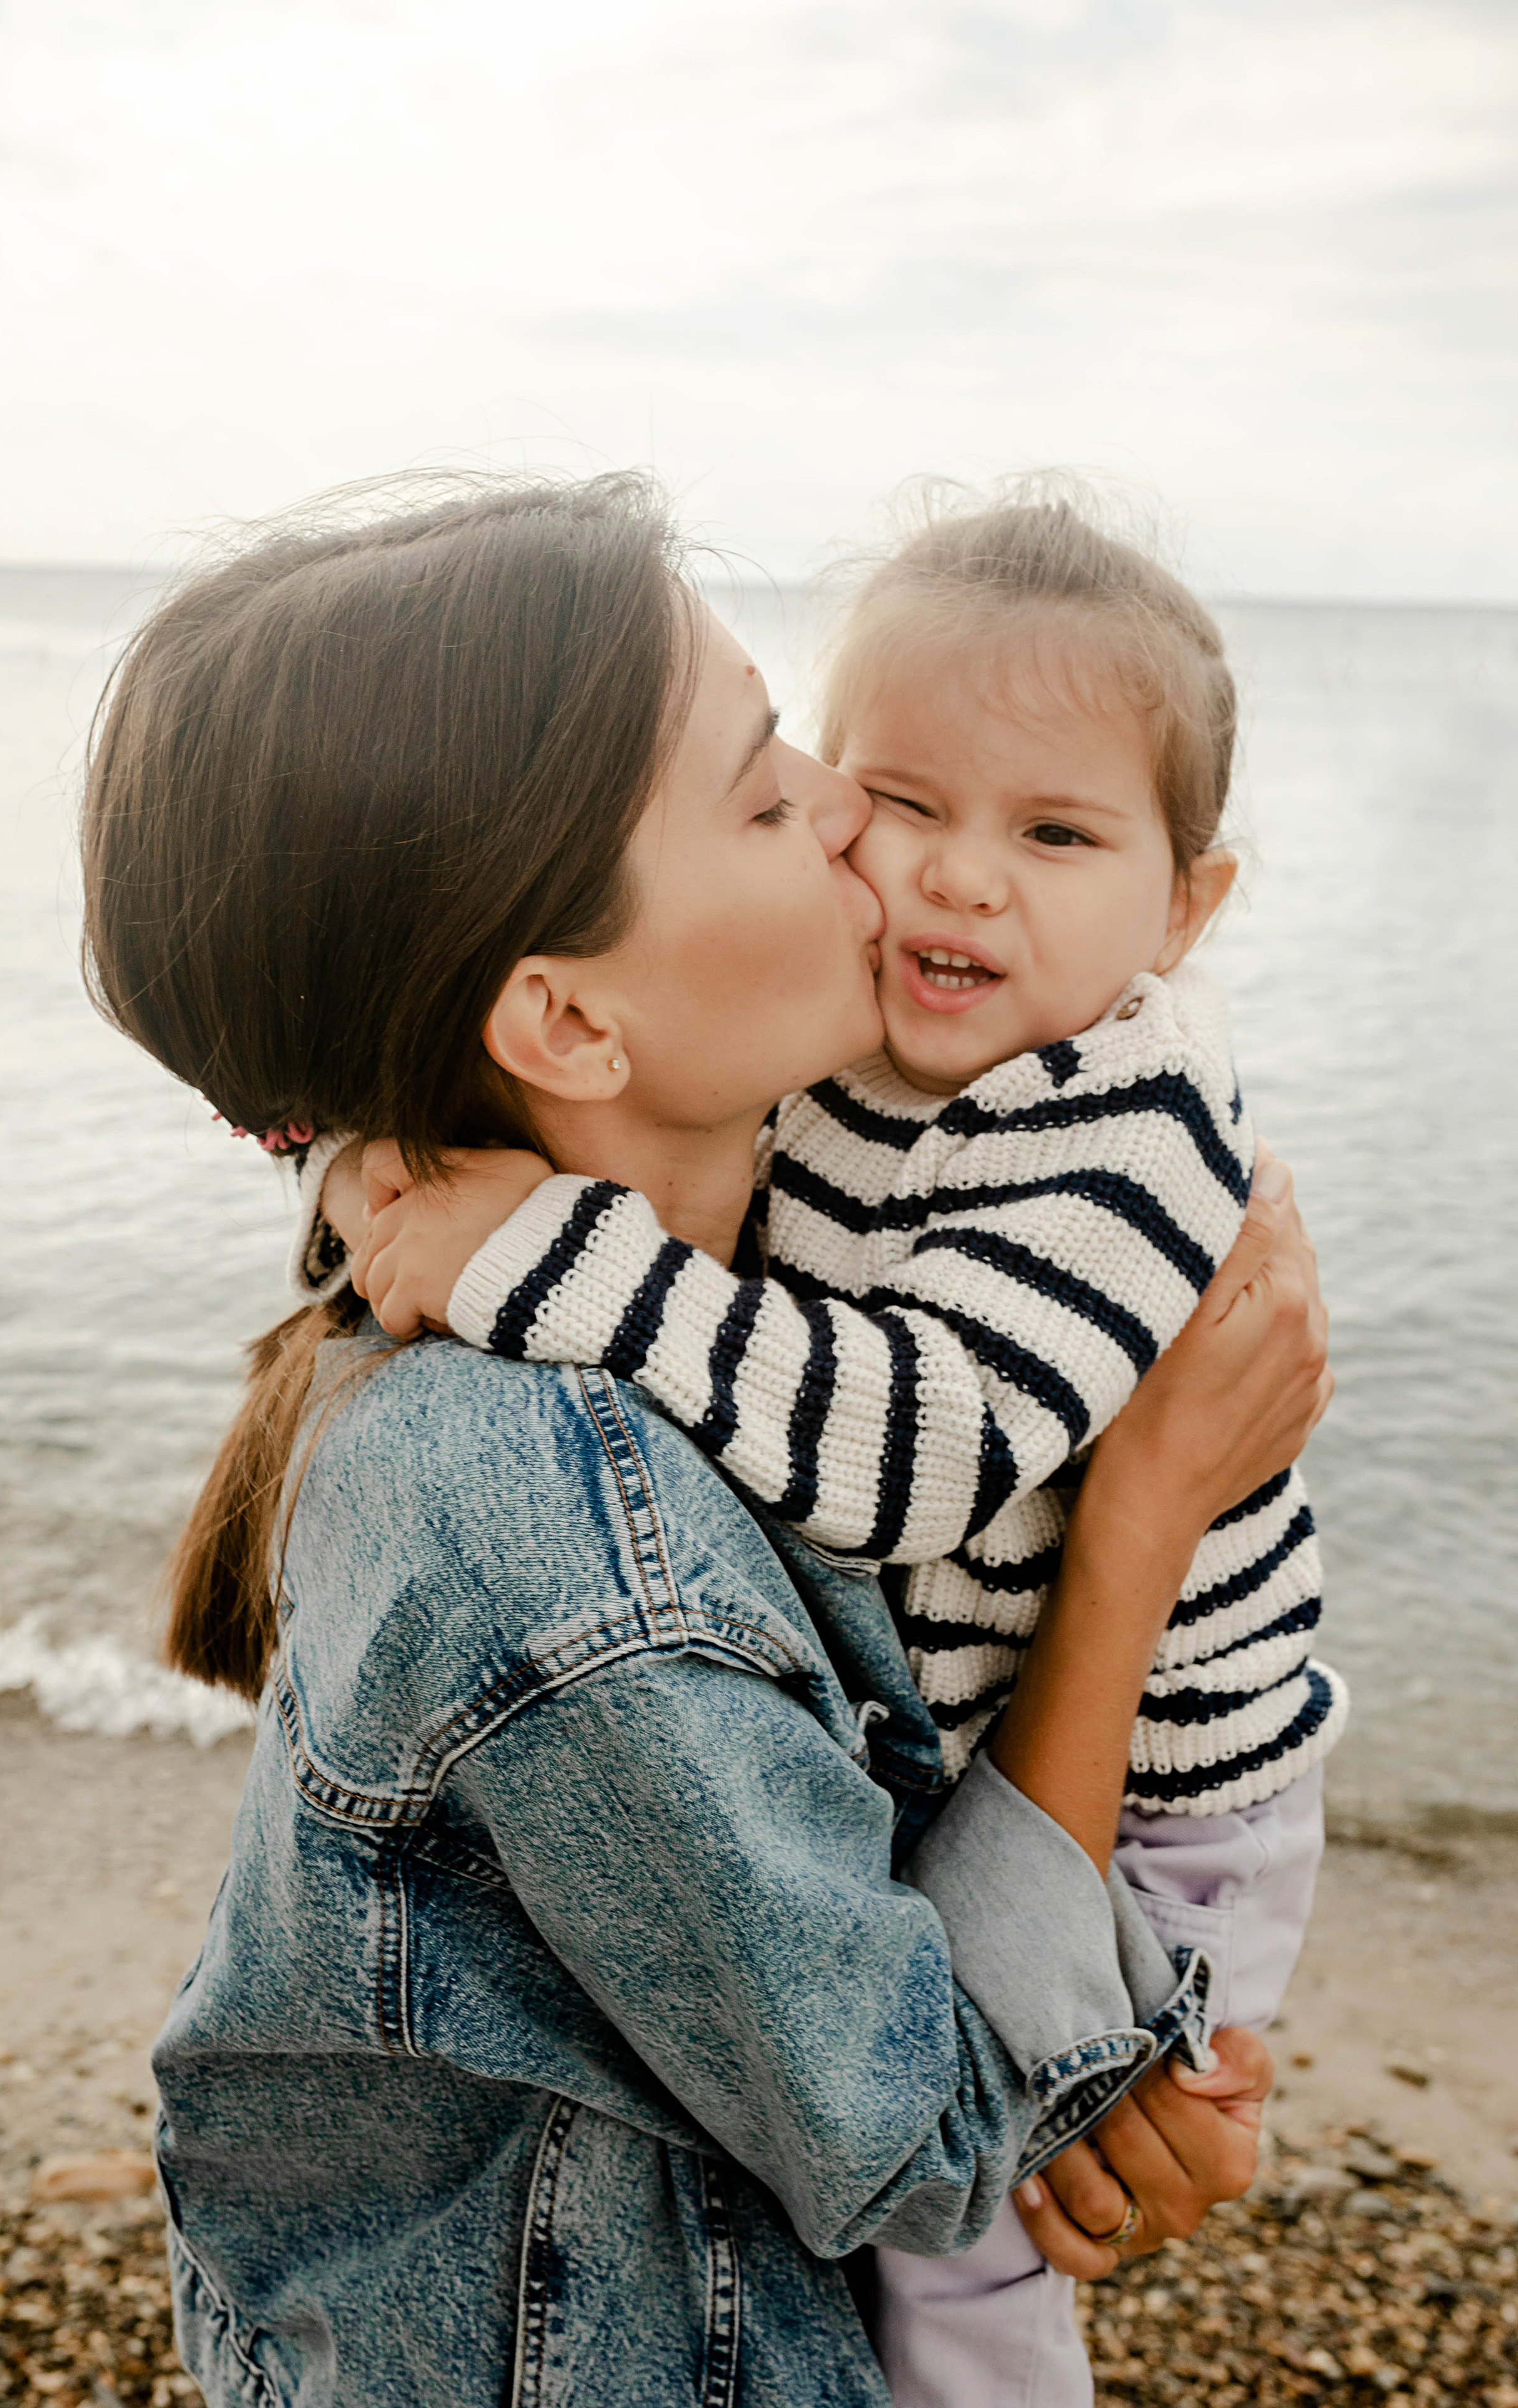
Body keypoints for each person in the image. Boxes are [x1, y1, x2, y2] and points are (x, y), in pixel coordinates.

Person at [80, 473, 1329, 2407]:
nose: (868, 819)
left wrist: (1139, 2049)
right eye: (776, 792)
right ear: (572, 1025)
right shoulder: (545, 1508)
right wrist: (1143, 1514)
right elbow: (928, 2131)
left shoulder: (670, 1271)